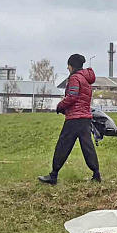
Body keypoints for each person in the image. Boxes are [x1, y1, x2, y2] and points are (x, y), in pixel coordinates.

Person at [38, 53, 101, 184]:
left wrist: (60, 106)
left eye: (68, 66)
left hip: (74, 118)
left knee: (63, 146)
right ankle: (96, 174)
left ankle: (53, 175)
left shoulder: (74, 78)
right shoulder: (86, 79)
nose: (68, 68)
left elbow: (72, 96)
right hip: (85, 117)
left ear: (72, 66)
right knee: (87, 146)